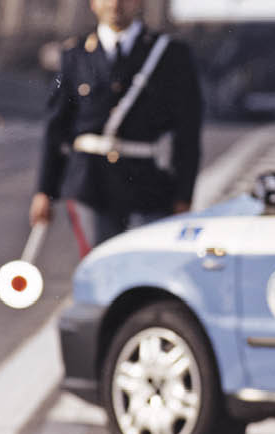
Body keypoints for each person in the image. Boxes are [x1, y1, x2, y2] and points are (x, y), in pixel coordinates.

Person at [30, 0, 202, 256]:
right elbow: (55, 128)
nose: (115, 4)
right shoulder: (74, 55)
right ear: (92, 4)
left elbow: (188, 131)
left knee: (145, 272)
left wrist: (183, 195)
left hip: (148, 186)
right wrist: (44, 190)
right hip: (89, 186)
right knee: (99, 268)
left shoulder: (170, 54)